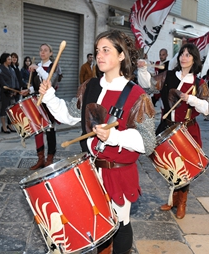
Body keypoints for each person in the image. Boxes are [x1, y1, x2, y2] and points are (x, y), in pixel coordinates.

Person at [39, 30, 156, 254]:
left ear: (122, 55)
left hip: (118, 172)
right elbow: (70, 115)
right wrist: (50, 96)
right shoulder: (90, 86)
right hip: (91, 168)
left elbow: (147, 142)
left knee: (121, 224)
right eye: (97, 51)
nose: (99, 56)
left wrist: (114, 137)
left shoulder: (137, 95)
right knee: (99, 223)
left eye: (106, 50)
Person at [138, 43, 209, 219]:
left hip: (187, 129)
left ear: (194, 59)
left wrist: (192, 99)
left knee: (184, 167)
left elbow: (208, 110)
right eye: (182, 54)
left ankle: (182, 202)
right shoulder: (168, 76)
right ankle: (172, 199)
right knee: (167, 164)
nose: (183, 57)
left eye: (188, 55)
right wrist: (142, 69)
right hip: (166, 126)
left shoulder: (199, 83)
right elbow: (149, 84)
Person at [21, 43, 59, 170]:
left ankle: (50, 158)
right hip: (38, 102)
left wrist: (38, 69)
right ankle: (40, 159)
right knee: (37, 131)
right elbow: (36, 86)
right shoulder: (37, 67)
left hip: (49, 102)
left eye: (45, 50)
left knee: (50, 130)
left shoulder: (54, 66)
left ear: (51, 53)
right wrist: (29, 90)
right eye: (41, 50)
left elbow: (50, 82)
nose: (42, 52)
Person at [0, 52, 19, 133]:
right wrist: (10, 90)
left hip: (13, 93)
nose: (11, 61)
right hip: (5, 93)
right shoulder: (0, 70)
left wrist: (16, 90)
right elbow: (2, 82)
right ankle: (4, 126)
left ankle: (10, 125)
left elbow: (15, 79)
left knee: (11, 110)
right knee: (4, 109)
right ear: (4, 60)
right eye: (9, 59)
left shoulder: (12, 68)